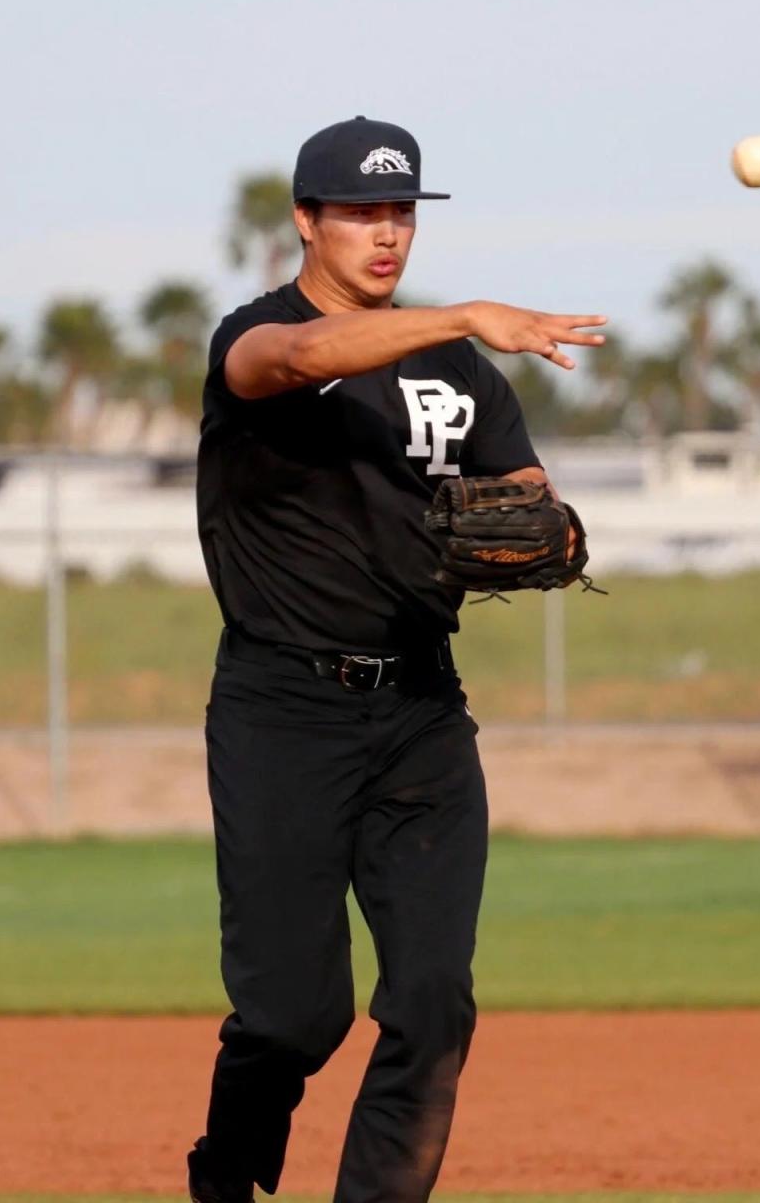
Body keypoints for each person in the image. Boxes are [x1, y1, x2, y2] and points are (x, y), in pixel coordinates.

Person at [190, 115, 606, 1203]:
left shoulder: (461, 373)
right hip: (282, 705)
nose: (386, 233)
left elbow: (529, 500)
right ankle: (227, 1169)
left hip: (420, 711)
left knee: (431, 1001)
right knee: (294, 1014)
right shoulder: (257, 334)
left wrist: (549, 534)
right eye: (362, 211)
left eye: (401, 212)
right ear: (305, 220)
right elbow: (301, 358)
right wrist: (468, 310)